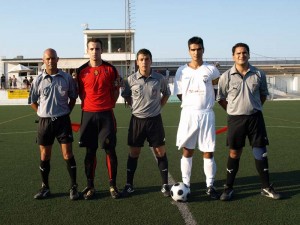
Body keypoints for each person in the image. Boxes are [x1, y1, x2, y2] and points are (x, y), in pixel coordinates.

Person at [216, 43, 281, 201]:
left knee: (261, 152)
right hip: (235, 120)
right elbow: (221, 98)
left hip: (255, 118)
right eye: (238, 53)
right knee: (234, 153)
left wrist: (254, 107)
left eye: (244, 52)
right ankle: (228, 188)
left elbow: (263, 94)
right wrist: (233, 110)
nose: (241, 55)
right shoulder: (226, 76)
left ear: (249, 55)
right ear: (233, 56)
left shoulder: (259, 74)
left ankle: (266, 187)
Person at [173, 36, 220, 200]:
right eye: (193, 49)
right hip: (188, 114)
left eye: (199, 49)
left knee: (208, 151)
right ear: (189, 51)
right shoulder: (181, 71)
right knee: (188, 150)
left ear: (203, 50)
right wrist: (191, 105)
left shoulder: (212, 69)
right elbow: (179, 93)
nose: (196, 52)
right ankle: (186, 185)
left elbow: (216, 88)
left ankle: (210, 185)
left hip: (206, 114)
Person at [28, 48, 79, 200]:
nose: (50, 61)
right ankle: (45, 187)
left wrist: (66, 112)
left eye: (53, 58)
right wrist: (40, 113)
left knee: (67, 154)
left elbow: (73, 98)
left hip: (62, 120)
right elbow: (32, 100)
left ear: (58, 59)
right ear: (43, 60)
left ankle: (74, 187)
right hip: (45, 122)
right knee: (45, 155)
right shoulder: (38, 80)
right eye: (47, 58)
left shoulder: (66, 78)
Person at [121, 48, 171, 197]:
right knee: (134, 152)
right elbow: (126, 96)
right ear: (137, 62)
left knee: (160, 152)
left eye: (147, 59)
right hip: (137, 121)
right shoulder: (130, 80)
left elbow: (166, 93)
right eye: (141, 59)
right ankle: (129, 185)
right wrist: (134, 106)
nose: (144, 62)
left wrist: (159, 106)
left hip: (155, 121)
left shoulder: (159, 78)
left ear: (151, 61)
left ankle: (165, 185)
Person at [76, 38, 121, 200]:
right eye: (92, 48)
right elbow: (80, 93)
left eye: (97, 48)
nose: (94, 51)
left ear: (102, 50)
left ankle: (113, 186)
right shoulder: (80, 71)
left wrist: (108, 104)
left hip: (106, 115)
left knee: (110, 151)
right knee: (90, 152)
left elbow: (116, 91)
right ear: (87, 50)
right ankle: (90, 186)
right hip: (88, 115)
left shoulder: (111, 69)